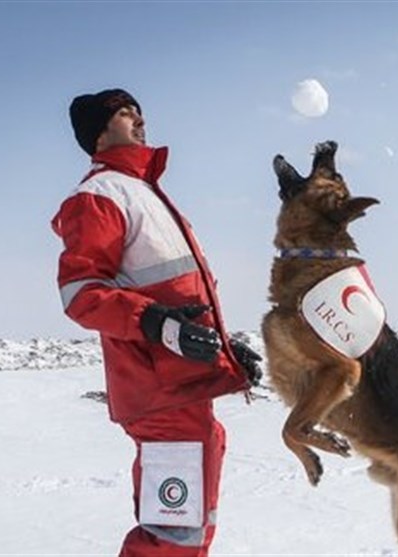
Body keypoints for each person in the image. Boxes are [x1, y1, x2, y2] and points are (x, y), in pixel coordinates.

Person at [51, 88, 262, 557]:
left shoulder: (145, 193)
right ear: (99, 134)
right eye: (124, 114)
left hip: (181, 389)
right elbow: (81, 293)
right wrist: (157, 325)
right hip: (158, 393)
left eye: (139, 111)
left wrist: (226, 348)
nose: (138, 119)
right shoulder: (99, 196)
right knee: (170, 535)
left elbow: (180, 298)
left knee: (185, 528)